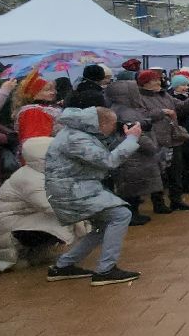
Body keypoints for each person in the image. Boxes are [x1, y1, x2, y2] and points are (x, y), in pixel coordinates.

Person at [44, 107, 144, 285]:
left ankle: (63, 266)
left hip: (74, 187)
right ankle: (105, 270)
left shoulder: (77, 132)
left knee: (104, 224)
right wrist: (131, 139)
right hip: (72, 189)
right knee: (121, 214)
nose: (114, 128)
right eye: (112, 125)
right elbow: (109, 161)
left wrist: (124, 138)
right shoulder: (76, 138)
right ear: (101, 123)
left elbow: (101, 154)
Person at [0, 135, 74, 271]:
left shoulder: (41, 172)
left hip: (19, 217)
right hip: (4, 222)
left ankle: (37, 252)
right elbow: (50, 205)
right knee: (62, 221)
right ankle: (23, 255)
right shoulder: (30, 178)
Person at [103, 81, 165, 223]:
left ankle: (133, 213)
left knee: (130, 185)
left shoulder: (117, 108)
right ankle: (132, 215)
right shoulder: (127, 112)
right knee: (132, 187)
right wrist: (152, 146)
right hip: (134, 154)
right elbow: (136, 135)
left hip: (129, 152)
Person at [137, 71, 189, 211]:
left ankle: (176, 199)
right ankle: (158, 203)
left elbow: (180, 107)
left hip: (173, 137)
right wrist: (162, 112)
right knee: (158, 173)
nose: (158, 83)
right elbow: (141, 115)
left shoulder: (164, 94)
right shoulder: (139, 98)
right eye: (154, 80)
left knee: (176, 171)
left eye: (158, 80)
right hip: (155, 139)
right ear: (145, 83)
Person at [10, 73, 61, 144]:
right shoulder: (33, 112)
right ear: (33, 93)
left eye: (54, 89)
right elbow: (36, 143)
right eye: (47, 90)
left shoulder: (43, 108)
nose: (54, 92)